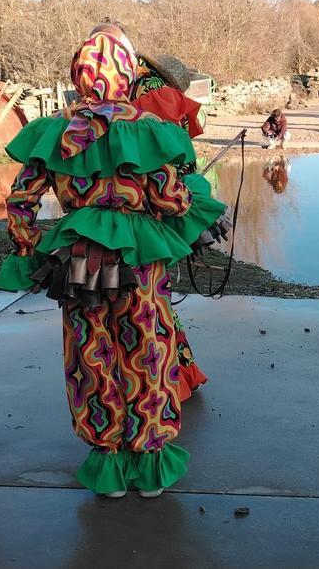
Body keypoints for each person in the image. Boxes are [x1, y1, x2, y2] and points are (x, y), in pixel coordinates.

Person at [0, 25, 228, 498]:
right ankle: (148, 458)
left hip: (77, 257)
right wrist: (192, 208)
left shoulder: (57, 129)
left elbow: (20, 200)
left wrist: (29, 245)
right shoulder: (146, 130)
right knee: (148, 351)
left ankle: (107, 457)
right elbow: (170, 199)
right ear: (126, 74)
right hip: (139, 258)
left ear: (79, 74)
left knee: (90, 350)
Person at [129, 50, 223, 402]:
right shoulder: (159, 94)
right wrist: (188, 209)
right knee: (153, 300)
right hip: (154, 208)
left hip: (131, 214)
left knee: (143, 302)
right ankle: (172, 378)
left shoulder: (135, 93)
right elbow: (176, 159)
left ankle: (156, 382)